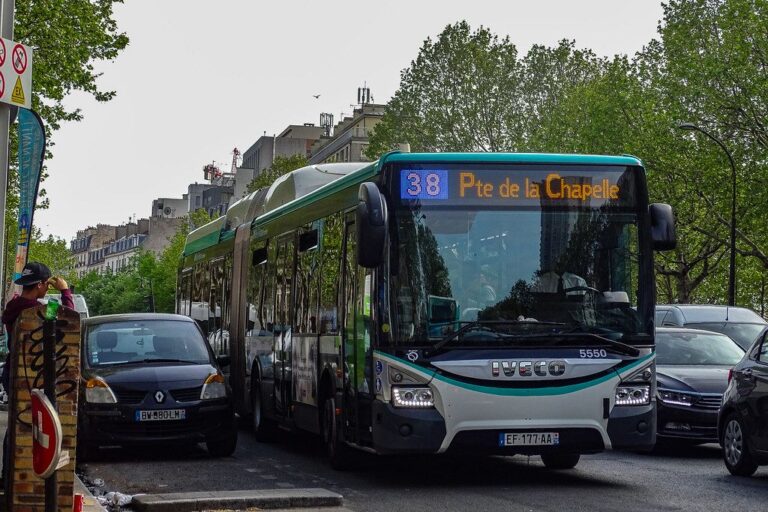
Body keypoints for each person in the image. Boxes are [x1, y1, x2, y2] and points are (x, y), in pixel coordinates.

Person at [1, 262, 74, 487]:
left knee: (17, 422)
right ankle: (33, 474)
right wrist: (64, 291)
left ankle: (8, 474)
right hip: (32, 374)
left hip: (14, 371)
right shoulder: (36, 311)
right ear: (41, 285)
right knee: (36, 423)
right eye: (46, 285)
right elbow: (69, 321)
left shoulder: (14, 306)